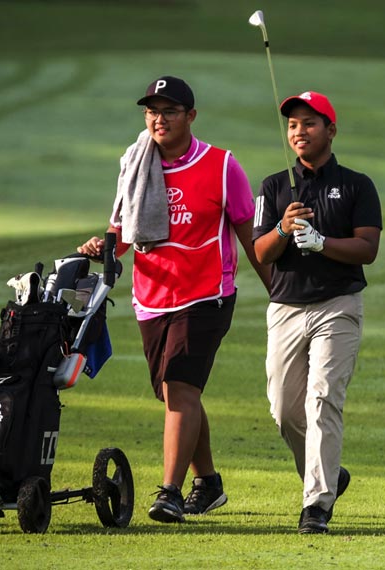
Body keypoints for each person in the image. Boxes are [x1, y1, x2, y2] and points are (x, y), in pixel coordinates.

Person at [79, 75, 270, 523]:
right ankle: (209, 482)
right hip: (152, 297)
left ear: (191, 116)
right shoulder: (135, 162)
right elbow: (120, 231)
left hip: (207, 294)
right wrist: (101, 247)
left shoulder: (223, 166)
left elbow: (250, 236)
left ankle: (170, 491)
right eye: (151, 111)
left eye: (169, 111)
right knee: (173, 393)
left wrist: (279, 290)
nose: (158, 119)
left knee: (182, 386)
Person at [252, 91, 382, 534]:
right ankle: (330, 472)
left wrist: (324, 243)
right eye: (292, 125)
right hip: (286, 308)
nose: (299, 131)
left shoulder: (357, 185)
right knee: (285, 411)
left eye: (309, 123)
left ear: (331, 129)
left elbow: (368, 249)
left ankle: (317, 505)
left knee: (323, 398)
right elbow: (261, 251)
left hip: (337, 305)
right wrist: (283, 229)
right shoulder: (274, 187)